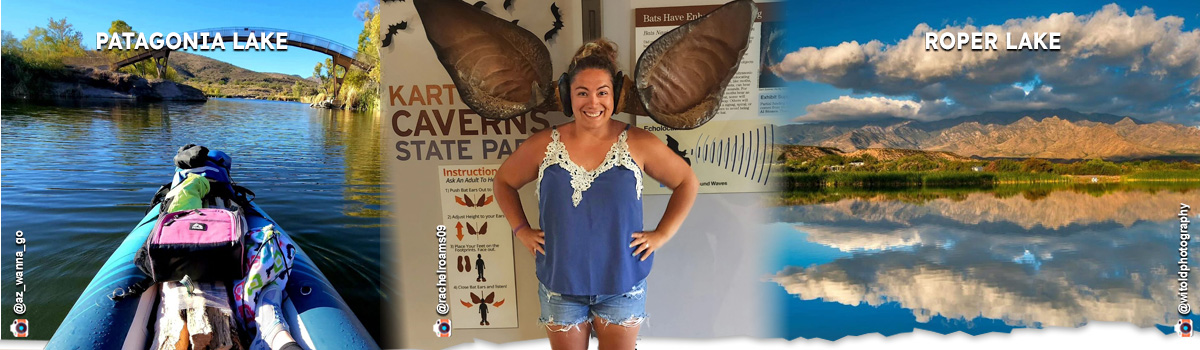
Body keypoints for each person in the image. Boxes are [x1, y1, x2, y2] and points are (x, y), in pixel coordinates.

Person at [493, 38, 699, 350]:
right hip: (560, 286)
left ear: (615, 95)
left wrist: (662, 234)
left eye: (602, 92)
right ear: (567, 96)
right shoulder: (542, 145)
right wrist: (521, 230)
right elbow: (504, 182)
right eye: (582, 93)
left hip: (622, 284)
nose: (593, 102)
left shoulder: (639, 143)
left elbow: (687, 181)